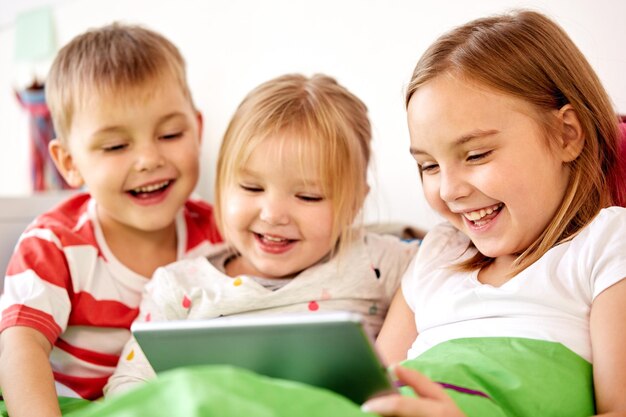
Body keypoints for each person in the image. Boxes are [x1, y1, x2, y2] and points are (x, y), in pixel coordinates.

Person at [362, 9, 626, 417]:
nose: (449, 190)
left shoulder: (606, 245)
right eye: (429, 166)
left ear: (565, 135)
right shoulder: (437, 257)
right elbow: (368, 389)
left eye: (476, 155)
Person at [103, 73, 420, 397]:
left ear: (354, 204)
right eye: (251, 187)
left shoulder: (376, 262)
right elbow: (128, 387)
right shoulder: (178, 287)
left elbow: (452, 260)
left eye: (308, 196)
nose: (272, 215)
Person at [0, 23, 222, 417]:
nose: (149, 159)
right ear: (70, 163)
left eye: (170, 134)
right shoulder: (54, 245)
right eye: (117, 145)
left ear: (197, 129)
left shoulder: (221, 233)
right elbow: (20, 345)